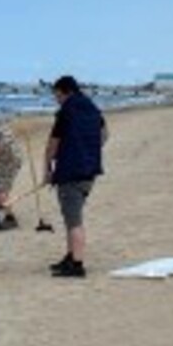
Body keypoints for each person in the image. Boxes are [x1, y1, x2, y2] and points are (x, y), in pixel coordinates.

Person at [44, 75, 107, 278]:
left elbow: (53, 144)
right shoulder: (92, 107)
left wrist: (48, 168)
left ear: (65, 91)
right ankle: (70, 257)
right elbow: (105, 134)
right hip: (89, 171)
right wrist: (89, 150)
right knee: (71, 217)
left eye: (57, 95)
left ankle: (77, 265)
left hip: (71, 172)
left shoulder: (66, 111)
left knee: (74, 221)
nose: (56, 99)